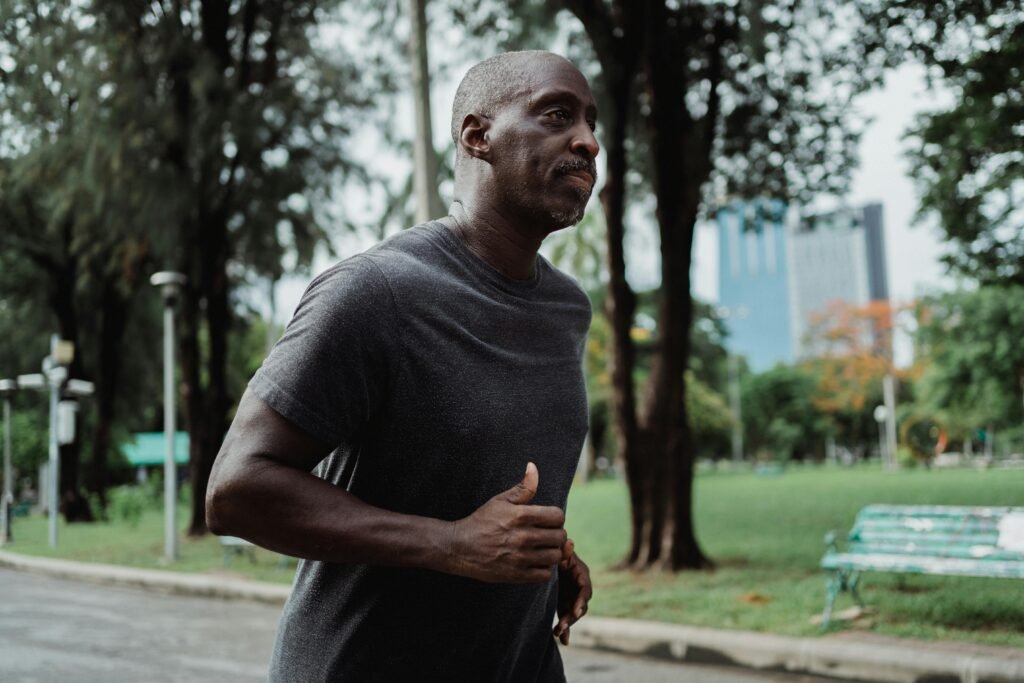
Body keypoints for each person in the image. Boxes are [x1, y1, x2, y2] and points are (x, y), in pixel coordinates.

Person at [206, 50, 599, 682]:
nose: (586, 141)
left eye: (589, 121)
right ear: (478, 135)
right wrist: (452, 544)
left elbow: (473, 474)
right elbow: (237, 491)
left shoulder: (565, 309)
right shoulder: (376, 292)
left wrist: (542, 554)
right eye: (557, 115)